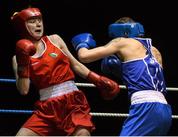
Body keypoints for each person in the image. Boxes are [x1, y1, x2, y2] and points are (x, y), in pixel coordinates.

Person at [11, 7, 120, 136]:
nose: (38, 24)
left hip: (72, 103)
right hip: (46, 109)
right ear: (22, 26)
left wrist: (97, 80)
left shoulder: (54, 40)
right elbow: (24, 90)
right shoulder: (17, 58)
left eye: (39, 20)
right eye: (32, 21)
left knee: (82, 135)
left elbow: (75, 65)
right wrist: (23, 63)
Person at [71, 17, 172, 136]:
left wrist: (81, 44)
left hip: (145, 108)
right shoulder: (155, 51)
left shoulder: (122, 41)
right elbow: (148, 81)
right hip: (165, 110)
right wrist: (121, 71)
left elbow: (84, 57)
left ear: (122, 32)